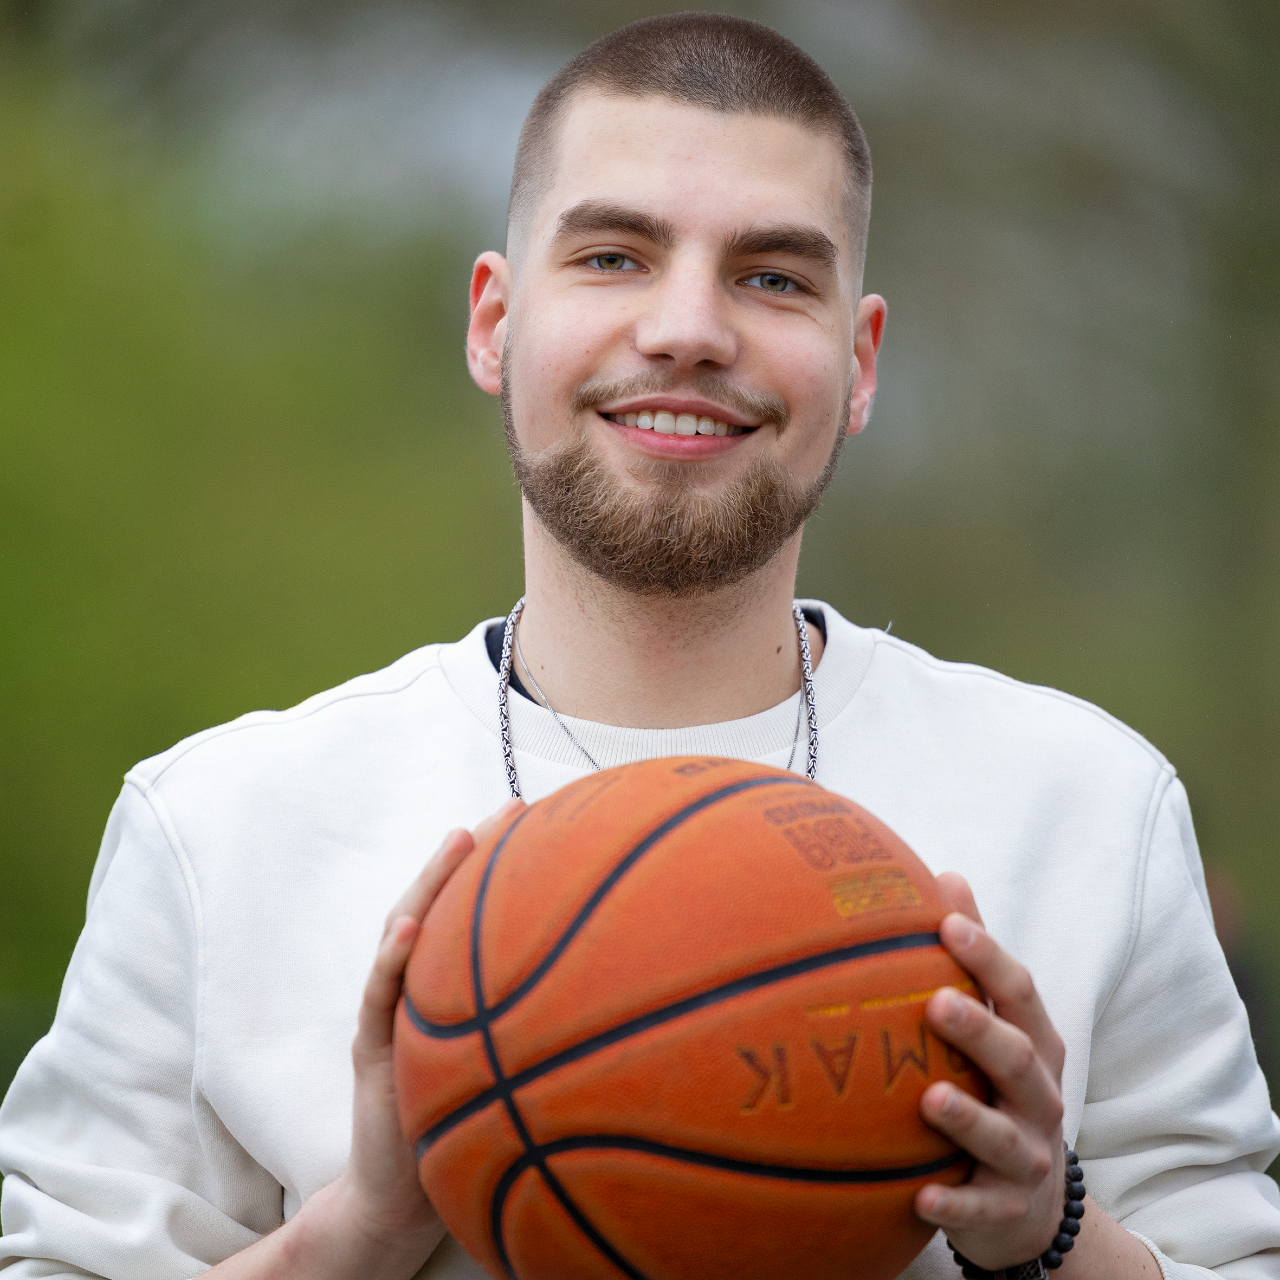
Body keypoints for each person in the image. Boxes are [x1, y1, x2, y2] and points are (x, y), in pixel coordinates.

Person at [2, 12, 1277, 1280]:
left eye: (772, 276)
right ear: (494, 323)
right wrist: (364, 1227)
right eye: (613, 256)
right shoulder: (219, 825)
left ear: (860, 356)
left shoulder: (1091, 806)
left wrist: (1051, 1231)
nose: (686, 330)